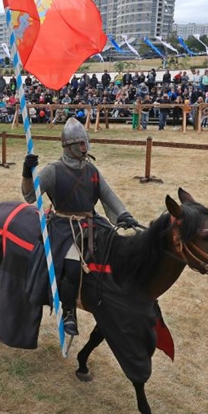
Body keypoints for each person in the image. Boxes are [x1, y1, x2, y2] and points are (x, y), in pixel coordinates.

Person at [21, 118, 139, 336]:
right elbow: (30, 196)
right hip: (64, 227)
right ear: (69, 146)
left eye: (86, 143)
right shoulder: (53, 170)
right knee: (74, 264)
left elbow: (108, 195)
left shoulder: (91, 170)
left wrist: (124, 215)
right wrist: (28, 173)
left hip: (91, 222)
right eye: (80, 144)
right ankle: (68, 312)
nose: (85, 148)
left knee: (116, 251)